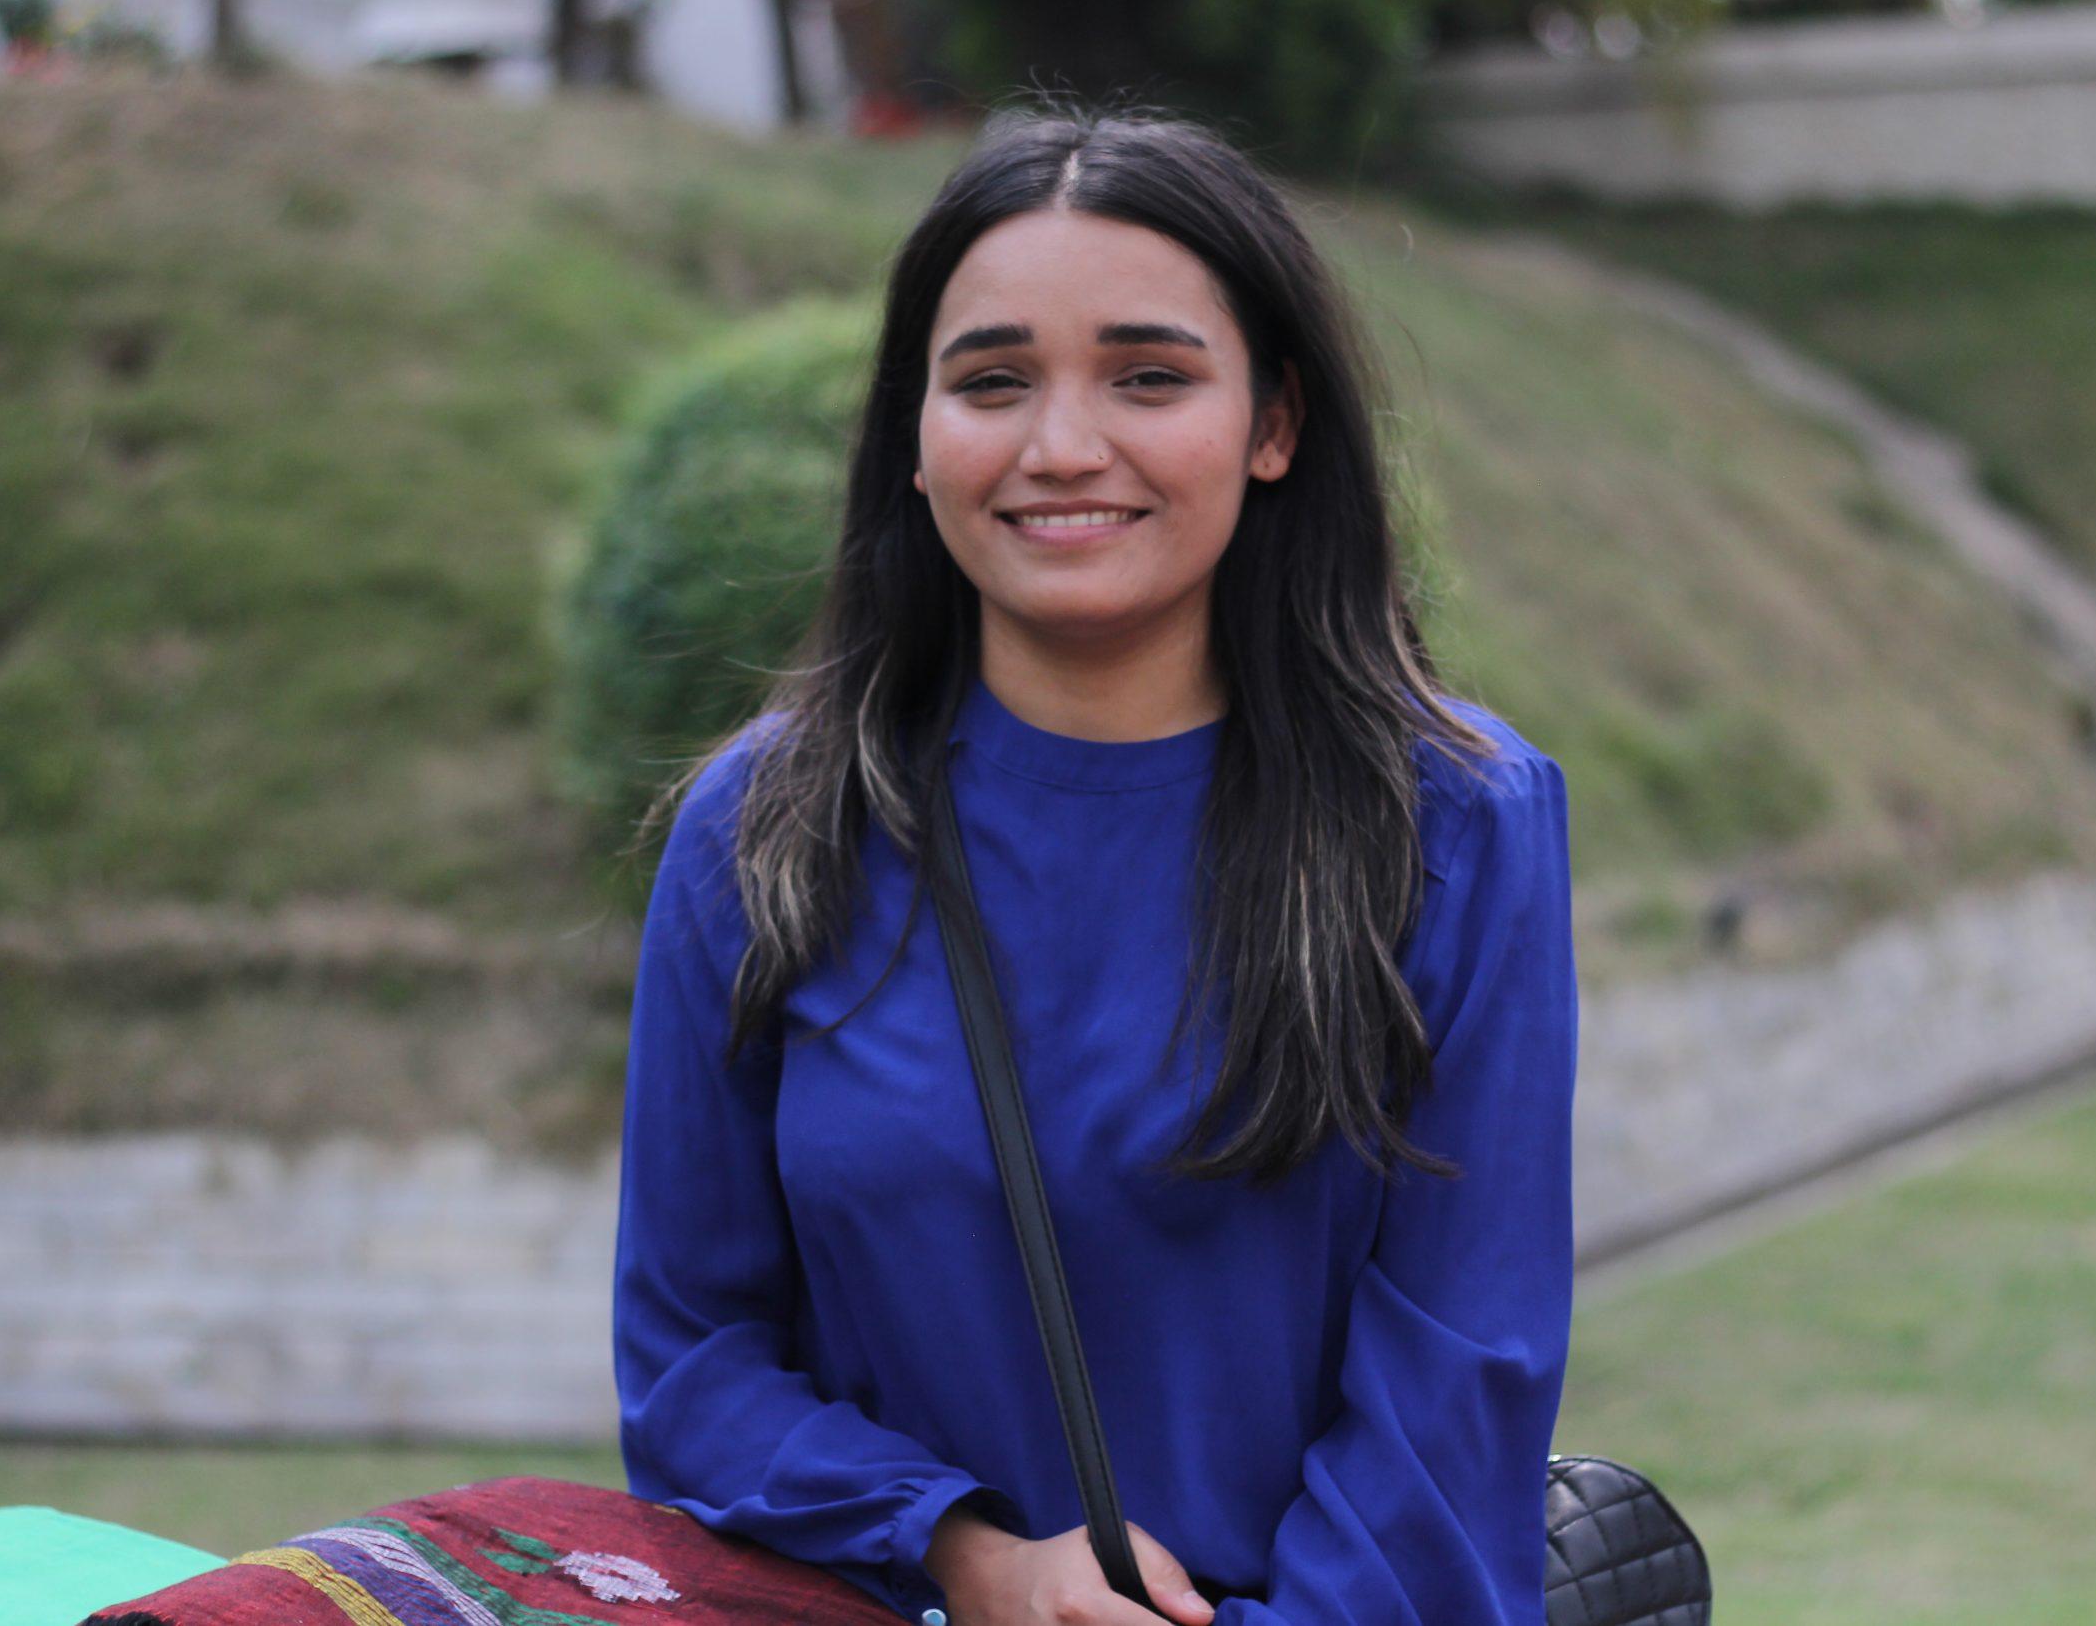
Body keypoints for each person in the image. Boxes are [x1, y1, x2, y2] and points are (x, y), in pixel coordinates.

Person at [611, 101, 1579, 1626]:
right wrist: (964, 1553)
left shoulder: (1453, 823)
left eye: (1149, 376)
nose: (1063, 447)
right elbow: (690, 1368)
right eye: (991, 381)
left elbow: (1458, 1384)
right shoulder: (765, 834)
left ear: (1274, 425)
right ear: (915, 442)